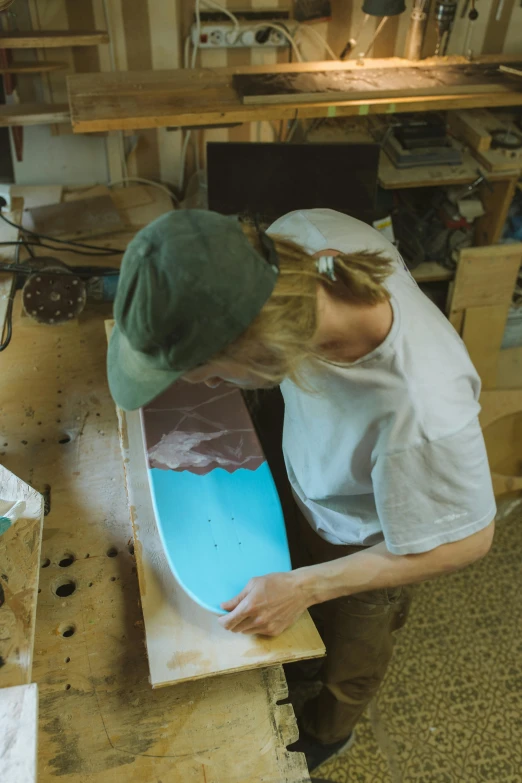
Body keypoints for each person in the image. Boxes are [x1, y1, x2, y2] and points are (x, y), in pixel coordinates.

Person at [107, 208, 496, 772]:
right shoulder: (298, 240)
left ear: (257, 352)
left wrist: (309, 587)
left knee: (350, 660)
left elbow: (470, 539)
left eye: (210, 376)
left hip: (372, 543)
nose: (208, 388)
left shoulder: (420, 406)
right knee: (289, 615)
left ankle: (328, 734)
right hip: (314, 481)